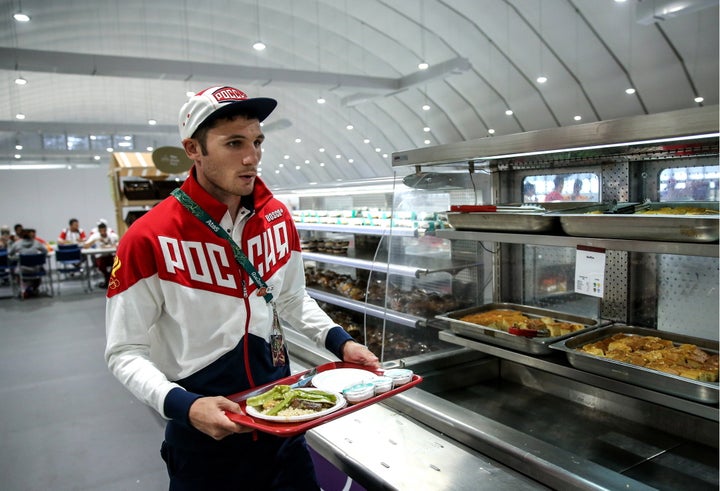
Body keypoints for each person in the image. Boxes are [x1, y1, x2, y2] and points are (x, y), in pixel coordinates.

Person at [104, 85, 380, 490]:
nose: (252, 157)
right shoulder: (148, 238)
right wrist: (185, 406)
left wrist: (340, 342)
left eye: (257, 141)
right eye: (234, 143)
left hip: (286, 427)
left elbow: (290, 297)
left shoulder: (275, 216)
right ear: (193, 150)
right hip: (206, 446)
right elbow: (123, 351)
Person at [8, 228, 48, 298]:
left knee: (16, 272)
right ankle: (33, 289)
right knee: (40, 270)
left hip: (22, 269)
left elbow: (10, 254)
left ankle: (24, 289)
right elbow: (45, 252)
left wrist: (18, 258)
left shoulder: (17, 244)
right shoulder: (37, 243)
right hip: (36, 269)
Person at [83, 221, 119, 288]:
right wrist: (95, 241)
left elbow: (118, 244)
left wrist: (111, 245)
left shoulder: (112, 235)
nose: (103, 232)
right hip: (100, 257)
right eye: (101, 231)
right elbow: (85, 246)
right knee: (101, 266)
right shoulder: (95, 236)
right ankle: (108, 279)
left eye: (104, 230)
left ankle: (108, 279)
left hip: (110, 255)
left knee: (116, 263)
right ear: (99, 231)